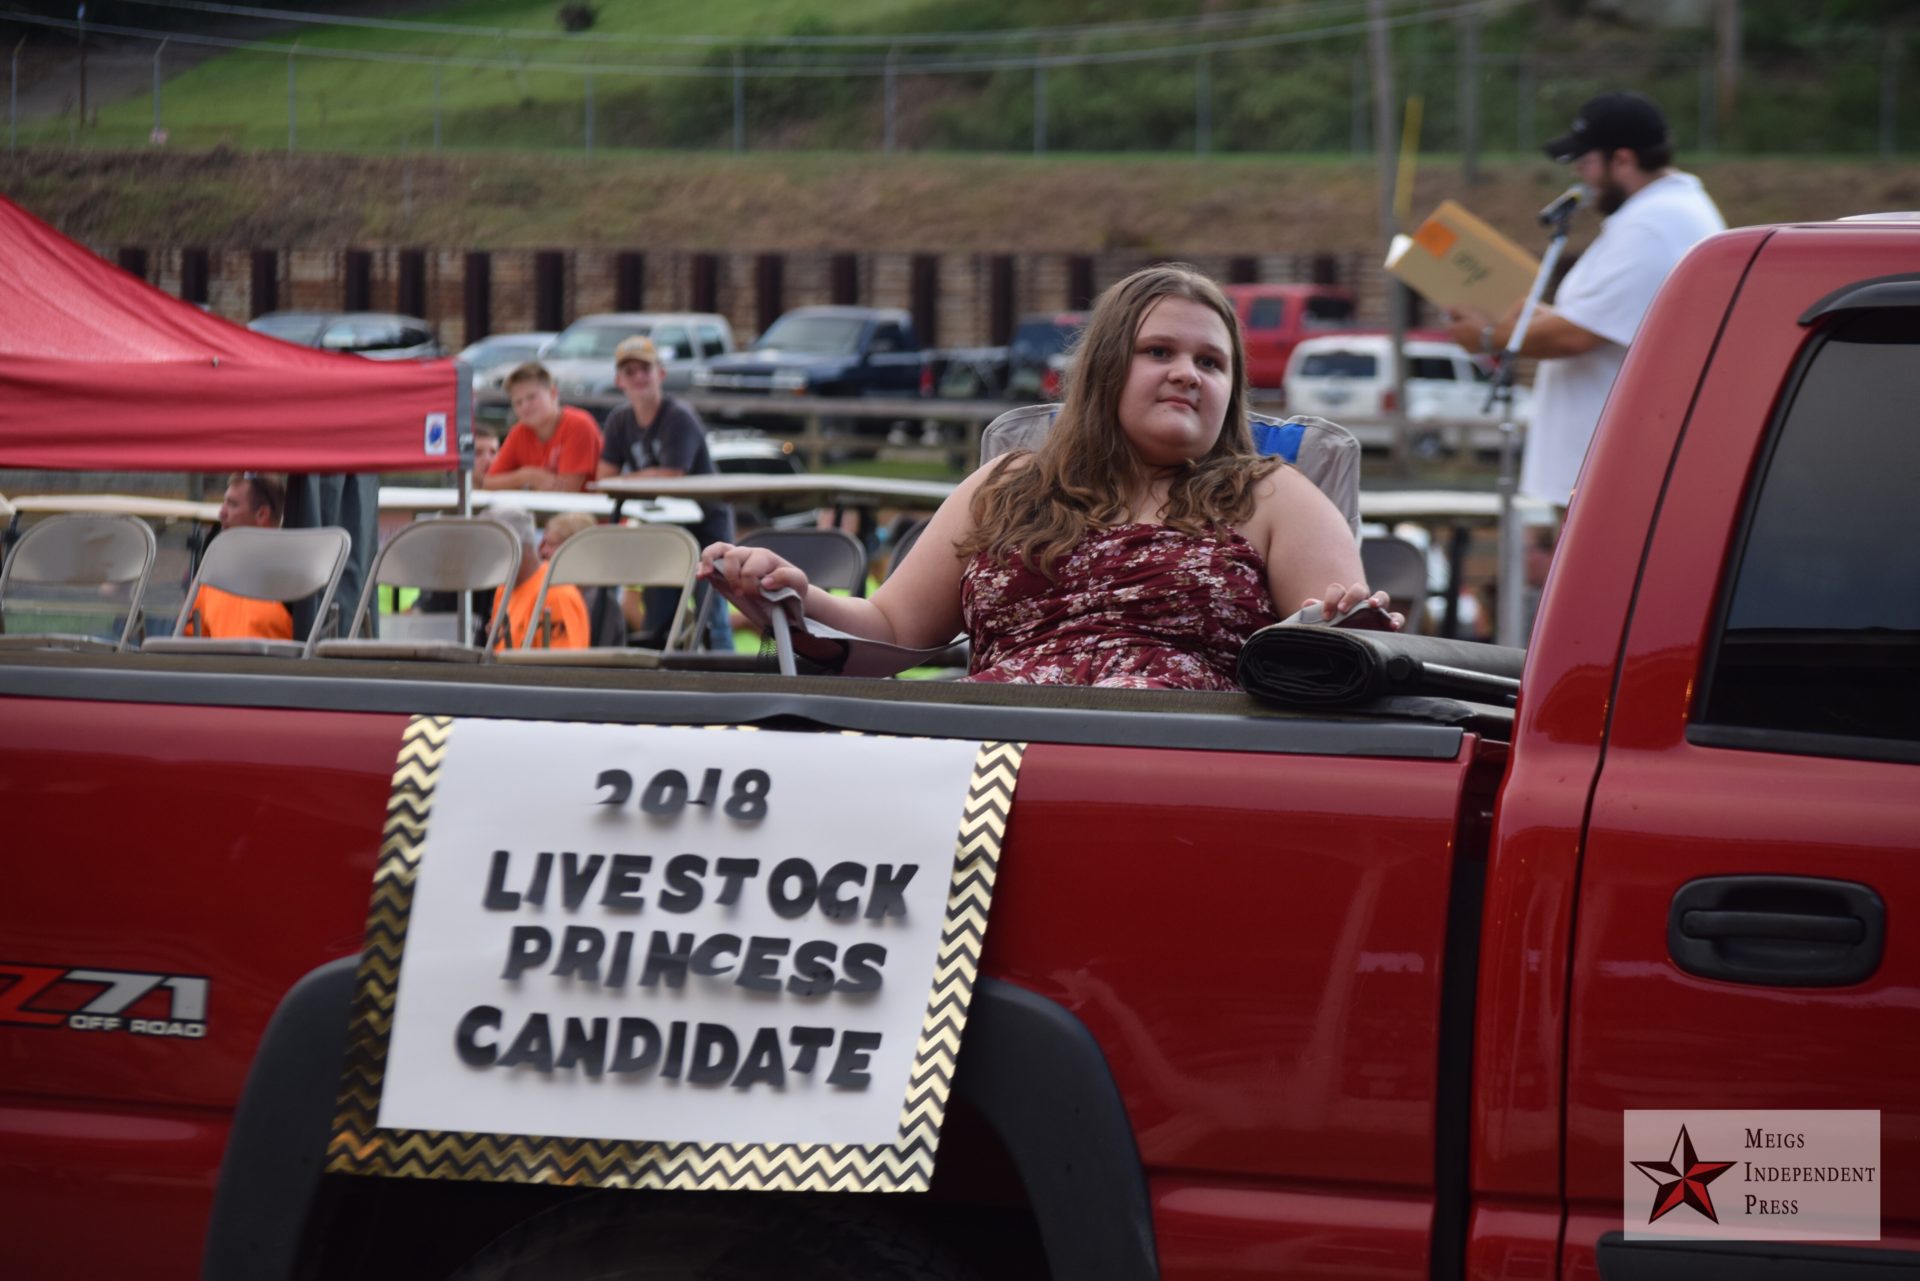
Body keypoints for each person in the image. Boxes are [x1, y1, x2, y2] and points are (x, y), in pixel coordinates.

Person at [698, 264, 1391, 691]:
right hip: (985, 766)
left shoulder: (1274, 495)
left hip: (1179, 770)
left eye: (1212, 363)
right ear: (1106, 368)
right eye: (1159, 351)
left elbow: (1332, 664)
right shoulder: (1008, 484)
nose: (1187, 371)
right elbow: (888, 631)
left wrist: (1347, 632)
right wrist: (798, 601)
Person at [1445, 91, 1725, 510]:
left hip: (1614, 471)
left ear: (1623, 160)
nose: (1580, 175)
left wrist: (1487, 337)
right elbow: (1602, 321)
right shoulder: (1662, 215)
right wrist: (1521, 314)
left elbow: (1577, 336)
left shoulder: (1652, 226)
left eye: (1586, 161)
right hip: (1611, 464)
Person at [595, 336, 736, 650]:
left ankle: (728, 683)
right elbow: (603, 476)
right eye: (630, 371)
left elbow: (673, 476)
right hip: (662, 531)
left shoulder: (678, 417)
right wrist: (642, 478)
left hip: (706, 529)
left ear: (661, 373)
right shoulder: (619, 421)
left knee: (711, 617)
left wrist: (628, 479)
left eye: (645, 369)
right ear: (619, 380)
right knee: (658, 618)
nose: (639, 377)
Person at [185, 473, 294, 641]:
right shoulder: (210, 576)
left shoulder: (298, 574)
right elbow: (186, 644)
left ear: (262, 515)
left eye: (232, 504)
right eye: (224, 503)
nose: (222, 512)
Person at [484, 363, 603, 492]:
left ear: (553, 393)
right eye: (517, 402)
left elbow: (567, 491)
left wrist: (520, 482)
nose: (525, 406)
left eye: (531, 397)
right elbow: (489, 483)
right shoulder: (519, 432)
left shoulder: (579, 425)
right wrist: (527, 476)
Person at [485, 507, 589, 651]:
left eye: (491, 549)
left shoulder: (558, 594)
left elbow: (565, 669)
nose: (486, 557)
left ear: (515, 546)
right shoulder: (503, 589)